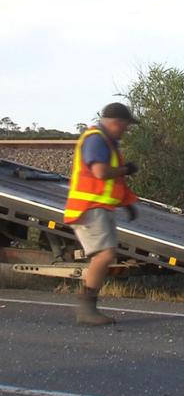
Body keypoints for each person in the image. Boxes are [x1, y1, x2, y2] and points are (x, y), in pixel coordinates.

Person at [63, 102, 140, 326]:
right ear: (116, 122)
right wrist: (126, 170)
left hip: (98, 208)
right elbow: (100, 173)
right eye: (125, 126)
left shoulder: (107, 143)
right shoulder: (96, 140)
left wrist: (127, 203)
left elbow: (113, 183)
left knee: (106, 255)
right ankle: (87, 309)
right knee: (104, 256)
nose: (126, 131)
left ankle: (88, 307)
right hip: (88, 208)